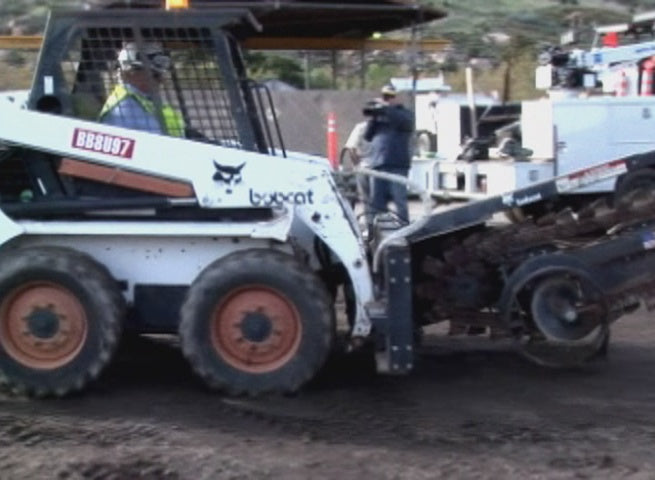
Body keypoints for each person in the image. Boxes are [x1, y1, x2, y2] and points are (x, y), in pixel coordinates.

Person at [99, 41, 185, 137]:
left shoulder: (145, 101)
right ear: (131, 72)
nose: (161, 80)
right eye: (155, 75)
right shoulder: (125, 110)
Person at [363, 83, 415, 224]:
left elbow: (404, 123)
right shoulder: (380, 116)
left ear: (397, 98)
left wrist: (386, 108)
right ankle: (375, 231)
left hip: (397, 164)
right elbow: (367, 136)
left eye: (390, 96)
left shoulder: (405, 114)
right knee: (376, 202)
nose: (387, 99)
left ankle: (404, 228)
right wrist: (373, 117)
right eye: (385, 96)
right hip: (378, 164)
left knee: (399, 200)